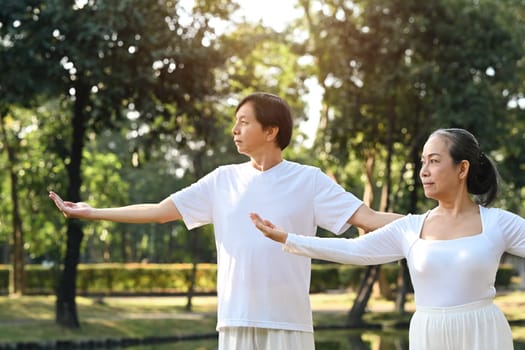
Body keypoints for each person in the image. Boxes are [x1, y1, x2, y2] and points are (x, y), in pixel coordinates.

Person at [49, 92, 401, 350]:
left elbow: (368, 219)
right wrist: (92, 211)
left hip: (287, 324)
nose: (234, 130)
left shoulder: (309, 180)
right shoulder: (222, 179)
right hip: (234, 321)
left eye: (244, 122)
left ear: (271, 131)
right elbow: (158, 212)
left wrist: (437, 220)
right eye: (235, 123)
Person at [250, 127, 525, 350]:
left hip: (483, 332)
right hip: (428, 334)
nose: (424, 171)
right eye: (423, 162)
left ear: (462, 169)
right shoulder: (410, 228)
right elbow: (354, 250)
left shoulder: (497, 223)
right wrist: (288, 238)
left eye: (435, 161)